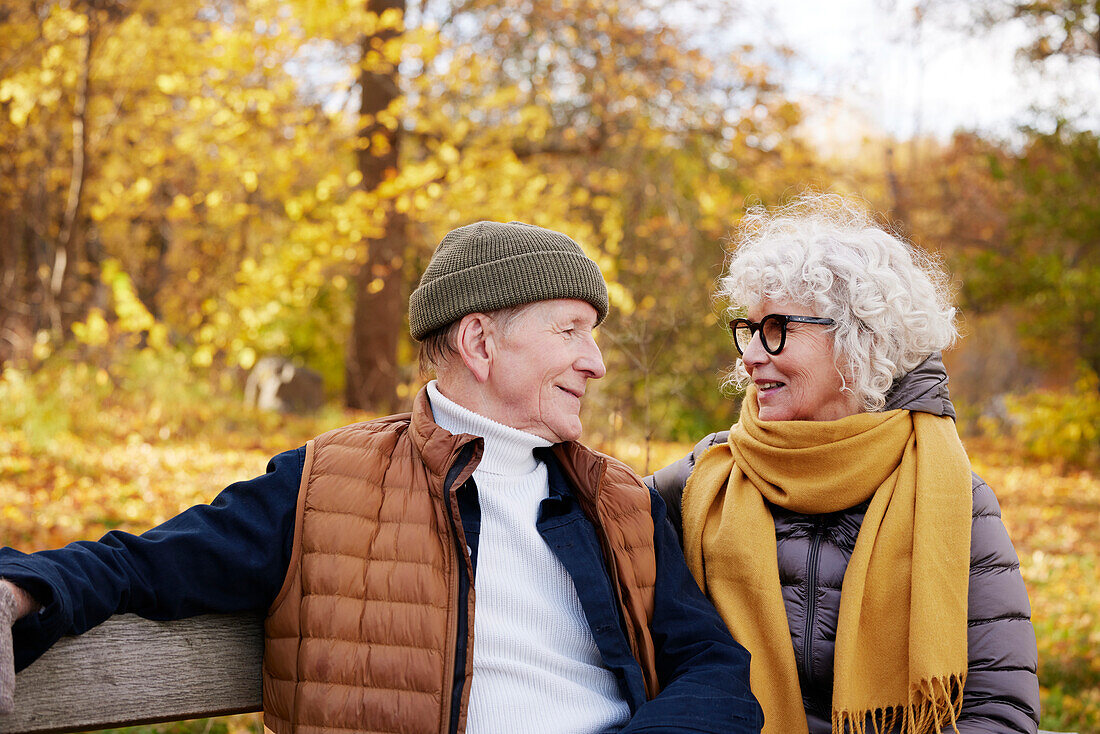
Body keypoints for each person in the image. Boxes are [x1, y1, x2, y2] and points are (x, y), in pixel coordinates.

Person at [0, 221, 763, 734]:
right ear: (479, 342)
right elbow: (144, 563)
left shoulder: (617, 500)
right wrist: (18, 590)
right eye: (570, 331)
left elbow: (716, 668)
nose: (594, 362)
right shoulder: (325, 484)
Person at [647, 195, 1040, 734]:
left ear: (860, 342)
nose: (751, 355)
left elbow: (1000, 710)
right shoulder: (699, 479)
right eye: (749, 328)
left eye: (777, 328)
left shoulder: (952, 498)